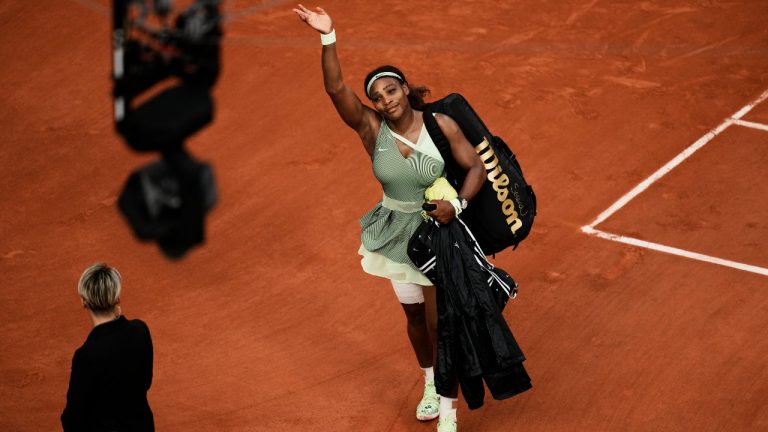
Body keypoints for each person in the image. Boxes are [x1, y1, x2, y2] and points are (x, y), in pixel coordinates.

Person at [294, 5, 486, 432]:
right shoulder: (370, 129)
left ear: (404, 88)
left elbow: (475, 167)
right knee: (415, 318)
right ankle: (430, 385)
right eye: (377, 96)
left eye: (391, 91)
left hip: (437, 234)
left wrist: (459, 207)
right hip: (396, 234)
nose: (385, 100)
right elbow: (335, 89)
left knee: (441, 323)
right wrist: (328, 37)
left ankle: (449, 414)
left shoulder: (440, 125)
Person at [61, 263, 155, 432]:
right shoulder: (140, 330)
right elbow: (145, 381)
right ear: (117, 299)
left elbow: (73, 418)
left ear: (84, 302)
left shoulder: (86, 355)